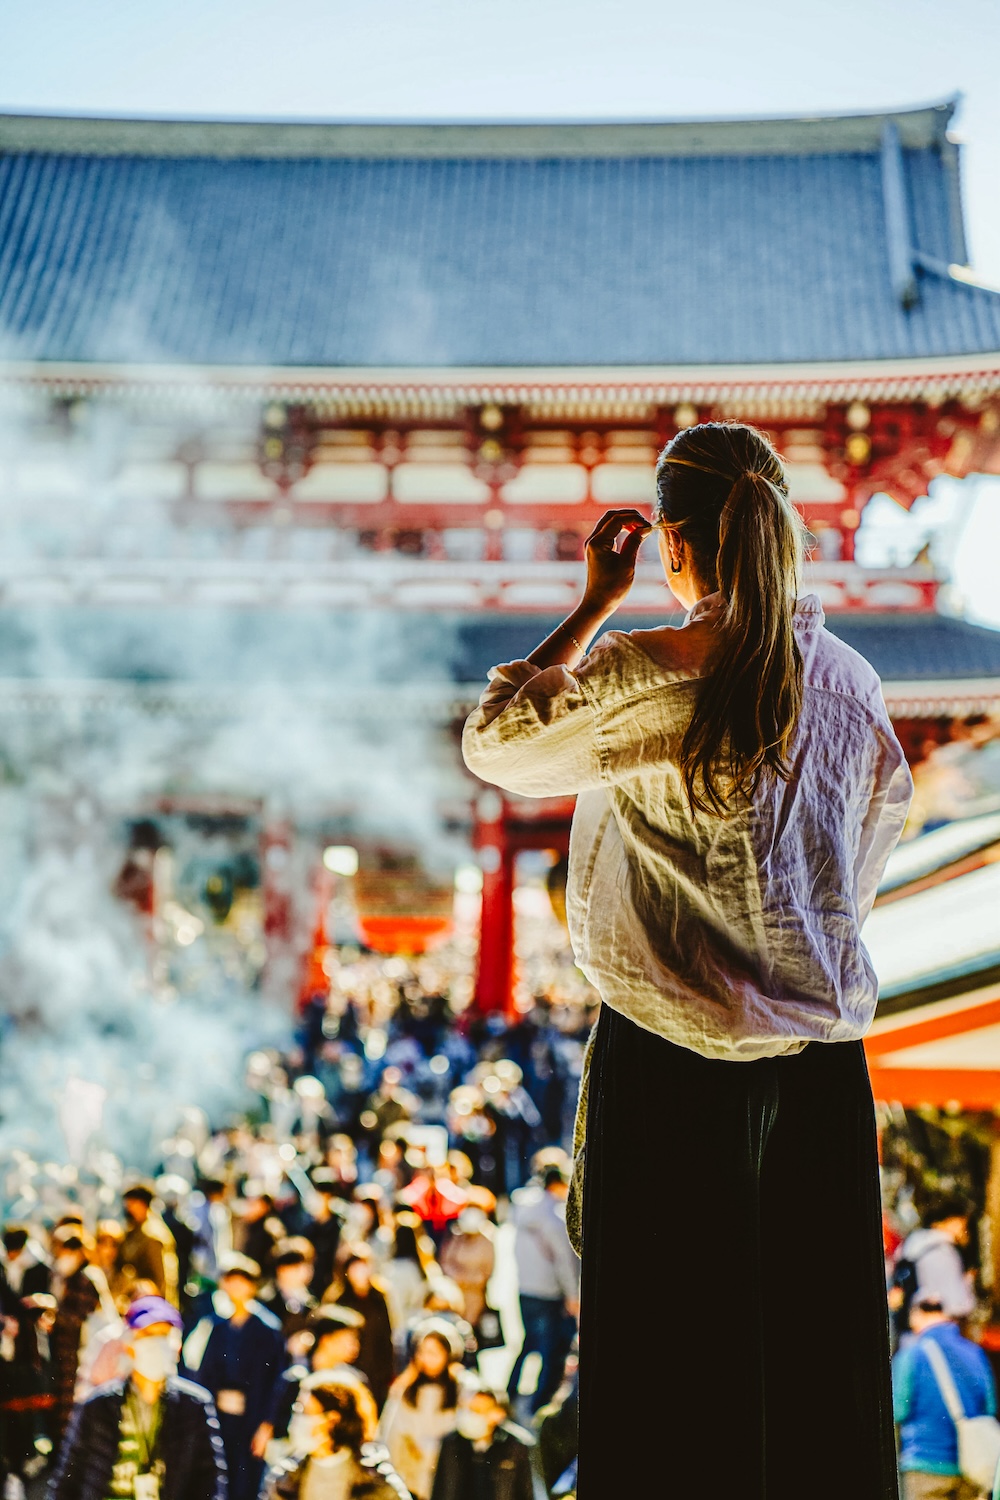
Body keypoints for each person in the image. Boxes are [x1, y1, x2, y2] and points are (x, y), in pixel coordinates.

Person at [462, 421, 913, 1499]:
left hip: (671, 1067)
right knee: (815, 1372)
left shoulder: (658, 671)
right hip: (819, 1076)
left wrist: (593, 601)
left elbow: (499, 744)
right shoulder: (849, 681)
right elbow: (861, 858)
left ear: (672, 543)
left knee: (673, 1379)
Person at [47, 1293, 226, 1500]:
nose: (157, 1343)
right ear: (129, 1344)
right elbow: (69, 1477)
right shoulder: (98, 1404)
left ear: (177, 1346)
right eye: (148, 1335)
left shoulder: (195, 1404)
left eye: (164, 1335)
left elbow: (210, 1481)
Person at [181, 1251, 286, 1500]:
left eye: (242, 1281)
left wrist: (266, 1426)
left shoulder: (267, 1329)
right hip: (220, 1417)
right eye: (230, 1281)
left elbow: (276, 1382)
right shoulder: (218, 1327)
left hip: (252, 1417)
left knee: (246, 1484)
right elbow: (205, 1374)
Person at [892, 1291, 996, 1499]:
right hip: (971, 1468)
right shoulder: (975, 1353)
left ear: (916, 1314)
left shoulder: (911, 1355)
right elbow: (990, 1407)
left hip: (925, 1467)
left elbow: (897, 1411)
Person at [260, 1372, 409, 1500]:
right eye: (296, 1410)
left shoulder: (376, 1483)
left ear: (332, 1420)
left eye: (304, 1411)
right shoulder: (284, 1478)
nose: (296, 1419)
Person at [506, 1167, 577, 1415]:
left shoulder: (522, 1209)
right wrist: (573, 1295)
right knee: (549, 1349)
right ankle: (538, 1405)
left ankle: (510, 1391)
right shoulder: (554, 1218)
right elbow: (564, 1261)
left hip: (525, 1287)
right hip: (548, 1291)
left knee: (527, 1343)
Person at [379, 1324, 461, 1500]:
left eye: (433, 1353)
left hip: (446, 1475)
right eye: (422, 1352)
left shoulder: (461, 1389)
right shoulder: (406, 1388)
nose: (426, 1359)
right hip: (410, 1473)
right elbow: (391, 1431)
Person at [266, 1304, 368, 1445]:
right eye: (349, 1339)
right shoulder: (296, 1378)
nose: (354, 1346)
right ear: (326, 1339)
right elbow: (275, 1429)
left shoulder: (353, 1381)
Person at [49, 1229, 114, 1445]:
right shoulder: (70, 1277)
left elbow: (82, 1315)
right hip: (70, 1351)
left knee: (74, 1402)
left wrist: (53, 1314)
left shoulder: (86, 1277)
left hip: (82, 1351)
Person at [430, 1383, 542, 1500]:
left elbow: (526, 1493)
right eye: (471, 1409)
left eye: (481, 1410)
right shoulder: (451, 1444)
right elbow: (440, 1490)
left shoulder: (515, 1448)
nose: (474, 1415)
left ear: (498, 1414)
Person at [329, 1250, 394, 1412]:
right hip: (350, 1363)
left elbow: (386, 1335)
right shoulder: (339, 1298)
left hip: (376, 1366)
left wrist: (390, 1371)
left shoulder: (379, 1297)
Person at [897, 1198, 976, 1327]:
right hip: (936, 1334)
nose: (964, 1228)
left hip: (913, 1329)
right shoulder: (944, 1252)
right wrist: (968, 1282)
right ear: (943, 1221)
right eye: (960, 1221)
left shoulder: (916, 1245)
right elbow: (959, 1305)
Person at [115, 1186, 178, 1307]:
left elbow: (162, 1277)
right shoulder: (135, 1230)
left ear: (142, 1204)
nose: (128, 1208)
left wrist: (158, 1307)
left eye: (132, 1204)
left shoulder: (152, 1235)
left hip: (150, 1304)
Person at [438, 1208, 494, 1329]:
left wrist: (471, 1279)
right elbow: (445, 1261)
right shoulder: (456, 1238)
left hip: (475, 1295)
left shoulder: (486, 1242)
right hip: (456, 1292)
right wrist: (455, 1277)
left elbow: (487, 1271)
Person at [260, 1241, 319, 1337]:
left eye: (307, 1264)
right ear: (281, 1269)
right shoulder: (266, 1300)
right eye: (296, 1266)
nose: (304, 1270)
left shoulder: (311, 1301)